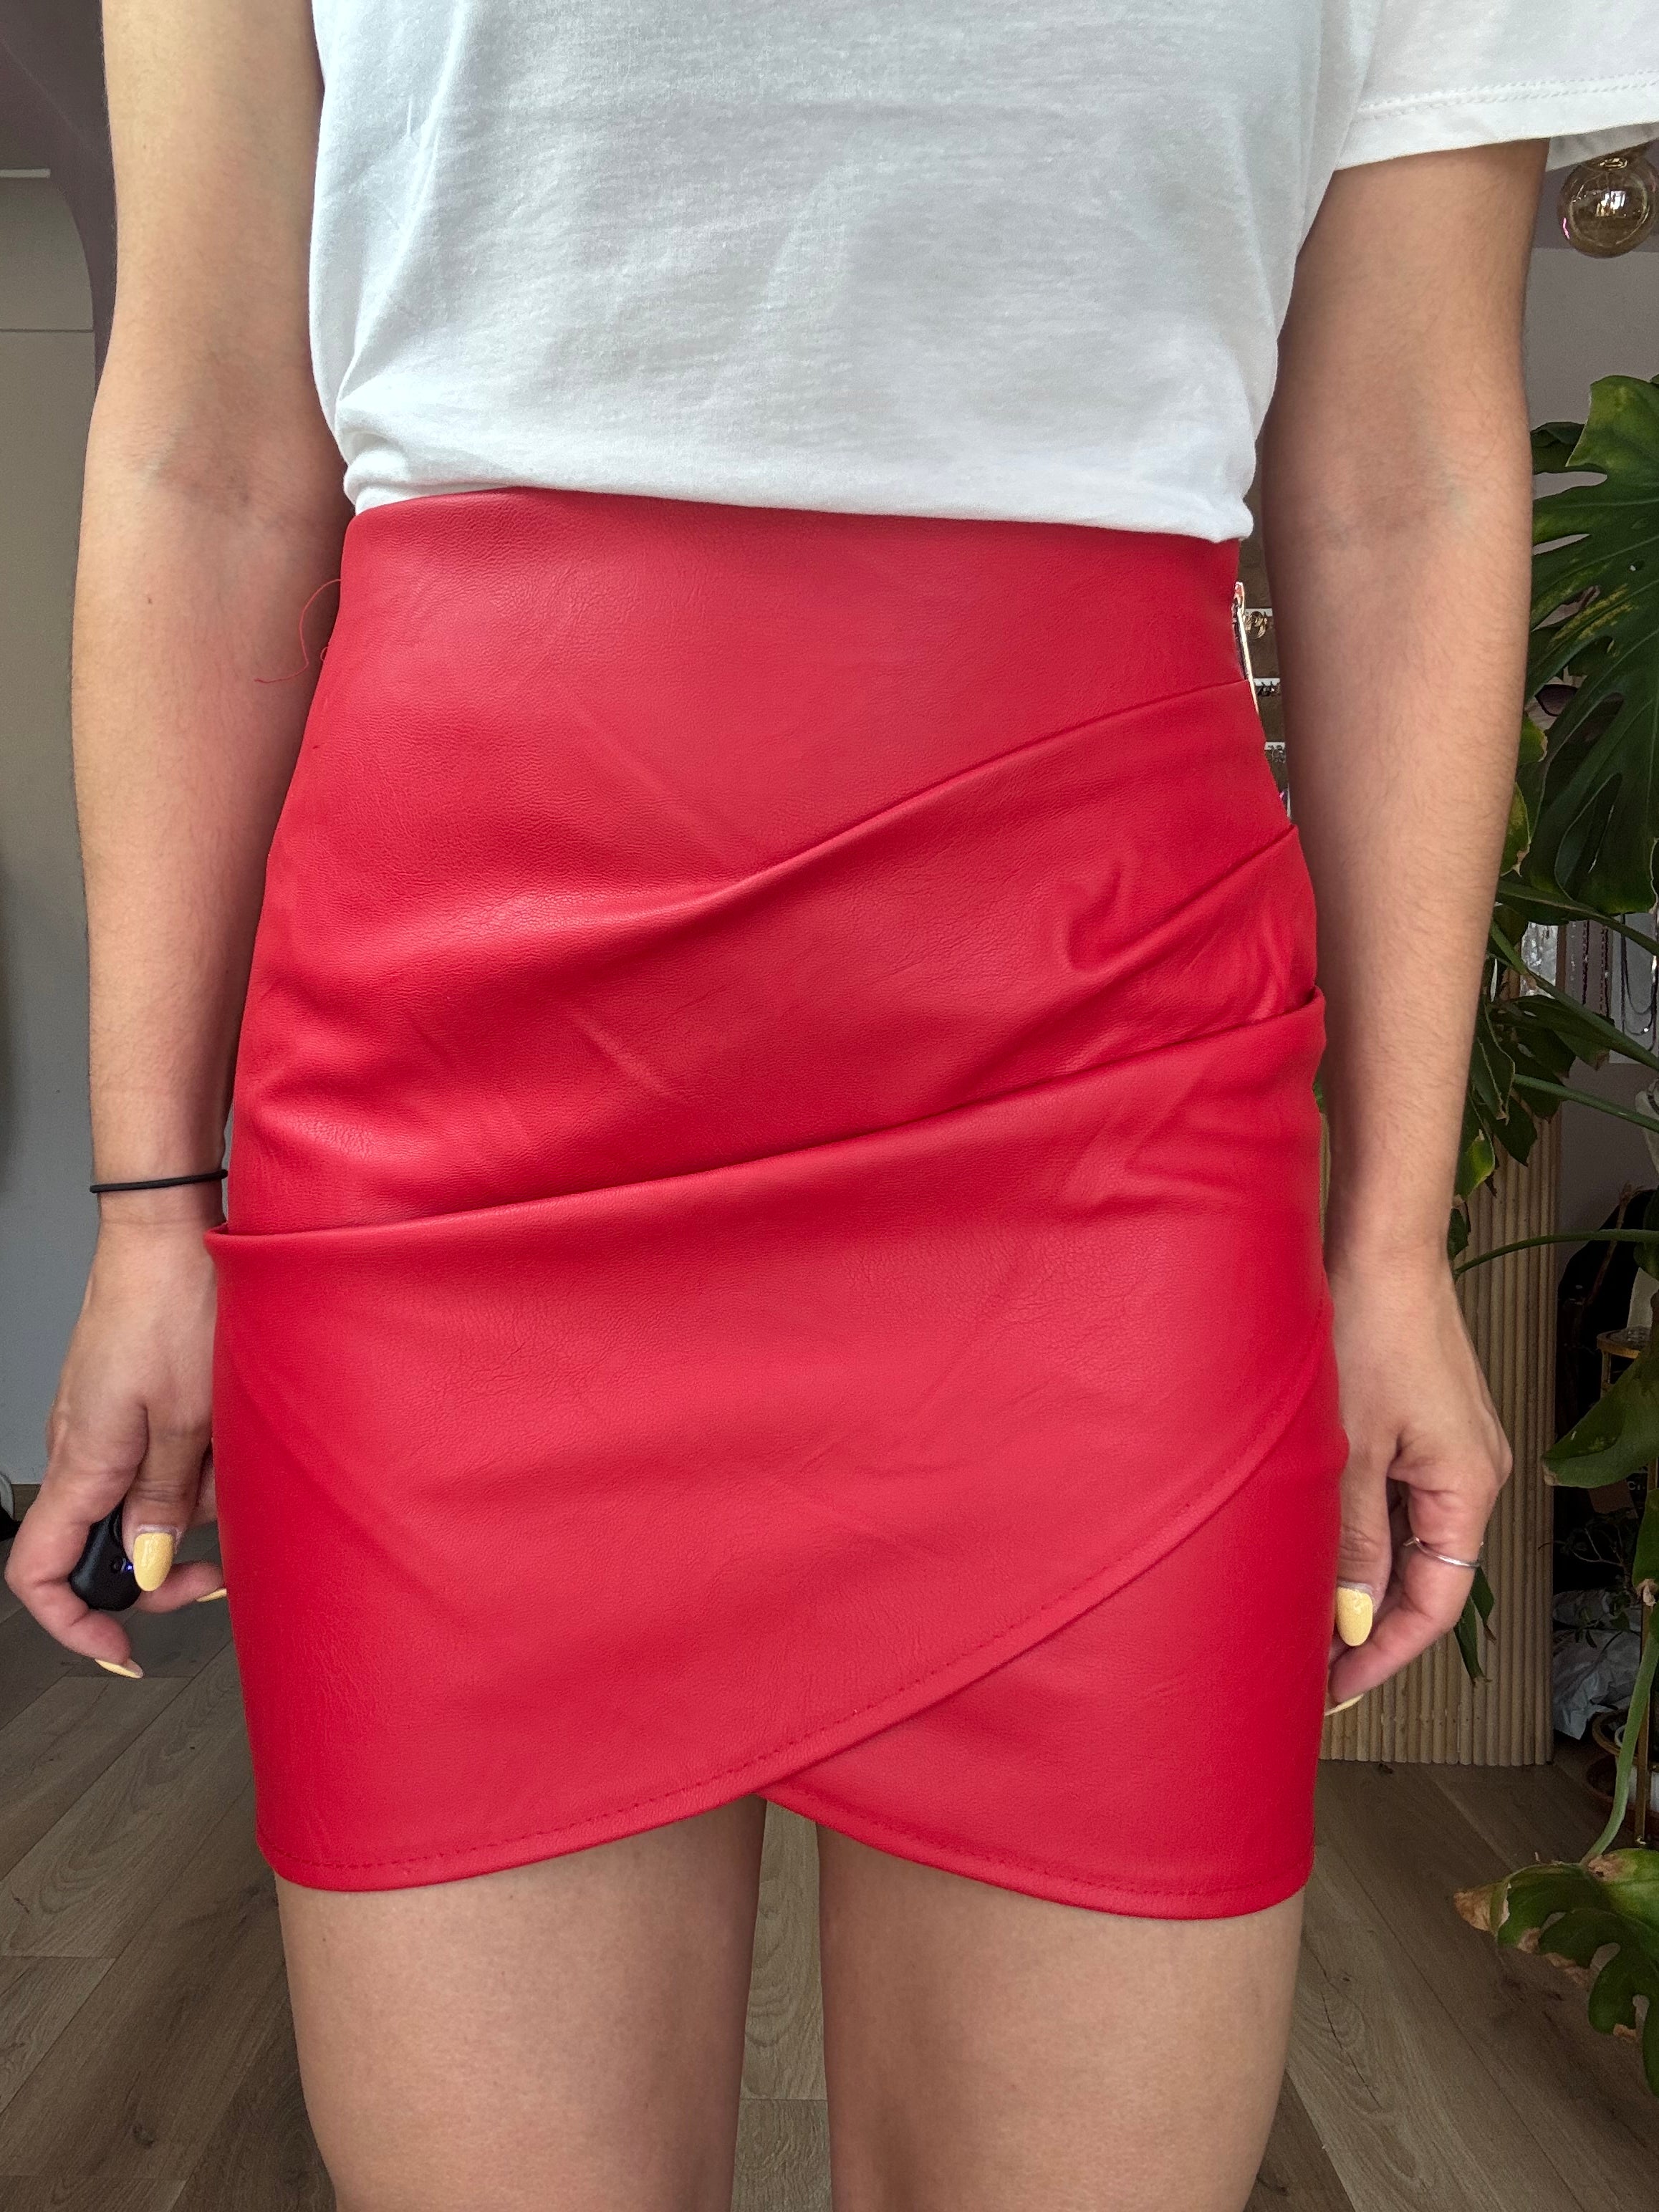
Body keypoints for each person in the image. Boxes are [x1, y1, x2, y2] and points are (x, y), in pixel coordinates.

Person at [8, 4, 1658, 2208]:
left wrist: (1387, 1245)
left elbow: (1398, 486)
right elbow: (208, 454)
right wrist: (151, 1208)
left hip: (1097, 1106)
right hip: (457, 1122)